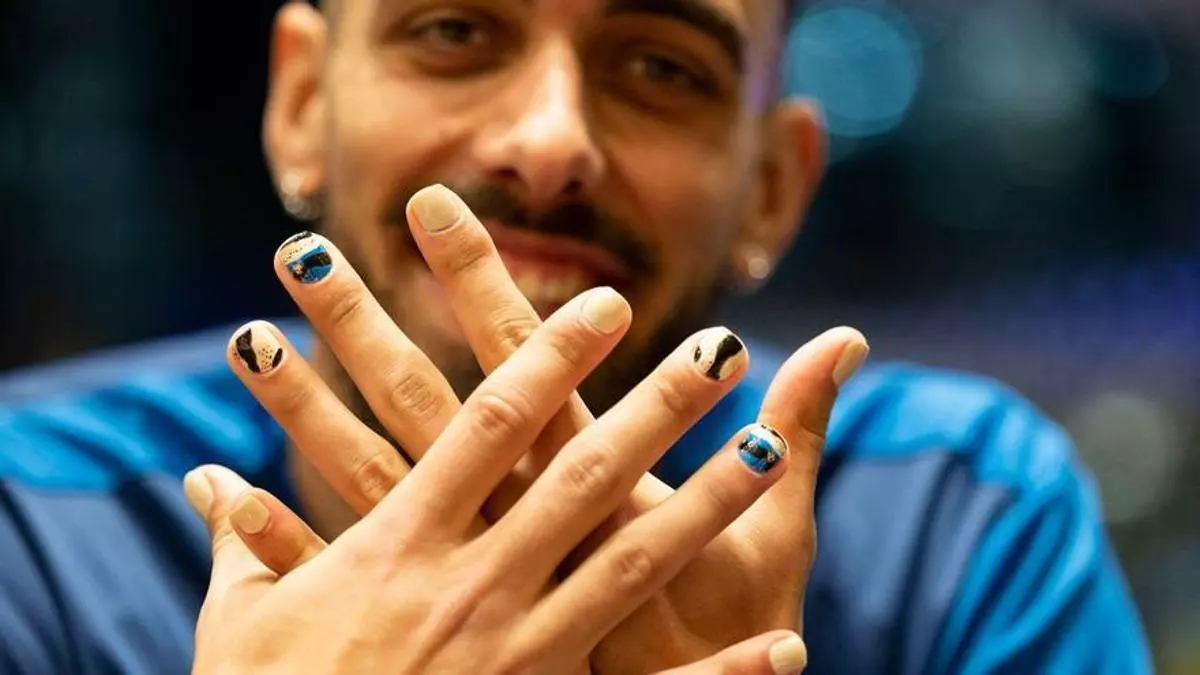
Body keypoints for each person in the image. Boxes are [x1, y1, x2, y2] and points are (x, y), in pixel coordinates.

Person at [0, 0, 1151, 673]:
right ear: (303, 105)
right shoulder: (30, 520)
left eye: (661, 67)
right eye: (454, 30)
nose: (550, 145)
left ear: (773, 188)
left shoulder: (957, 517)